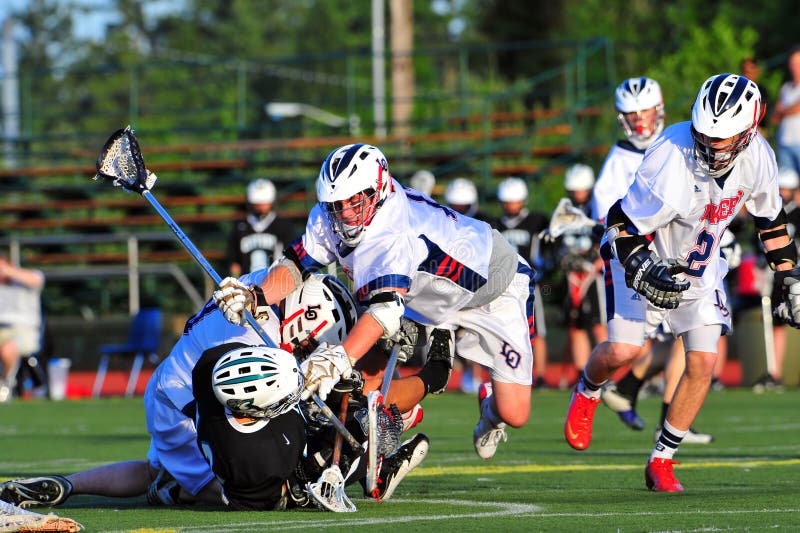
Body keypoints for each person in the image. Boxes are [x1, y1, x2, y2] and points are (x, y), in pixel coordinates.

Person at [213, 143, 537, 461]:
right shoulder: (333, 215)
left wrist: (336, 358)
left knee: (515, 412)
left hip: (493, 286)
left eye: (355, 200)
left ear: (378, 190)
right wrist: (256, 295)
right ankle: (400, 414)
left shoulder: (392, 233)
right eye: (337, 203)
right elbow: (296, 264)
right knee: (361, 385)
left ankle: (489, 412)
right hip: (421, 295)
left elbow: (383, 311)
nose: (346, 213)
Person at [0, 273, 429, 509]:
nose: (313, 349)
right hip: (193, 403)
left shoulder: (266, 288)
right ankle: (185, 490)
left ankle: (69, 484)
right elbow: (273, 394)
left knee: (159, 466)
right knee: (265, 490)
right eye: (317, 340)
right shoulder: (259, 338)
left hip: (175, 388)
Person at [564, 73, 800, 492]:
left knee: (703, 362)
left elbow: (771, 221)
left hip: (698, 265)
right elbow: (620, 223)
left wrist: (788, 276)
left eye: (722, 139)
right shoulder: (673, 153)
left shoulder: (759, 156)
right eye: (705, 136)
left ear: (749, 131)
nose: (710, 147)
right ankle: (588, 389)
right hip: (640, 257)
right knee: (624, 349)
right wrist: (640, 266)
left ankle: (662, 460)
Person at [590, 76, 713, 442]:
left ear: (658, 110)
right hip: (640, 263)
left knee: (690, 335)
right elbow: (612, 221)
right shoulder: (618, 163)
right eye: (633, 114)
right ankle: (609, 390)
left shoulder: (677, 143)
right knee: (631, 346)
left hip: (680, 251)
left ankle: (634, 394)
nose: (640, 121)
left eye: (645, 112)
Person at [443, 177, 498, 392]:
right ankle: (463, 374)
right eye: (455, 206)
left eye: (463, 206)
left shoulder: (484, 223)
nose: (459, 210)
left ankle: (482, 375)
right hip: (453, 282)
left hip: (480, 282)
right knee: (457, 332)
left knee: (478, 331)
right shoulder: (444, 222)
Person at [495, 177, 551, 389]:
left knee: (537, 329)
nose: (511, 205)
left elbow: (547, 250)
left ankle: (542, 375)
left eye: (515, 201)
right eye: (508, 201)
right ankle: (509, 373)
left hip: (528, 284)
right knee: (504, 330)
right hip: (502, 284)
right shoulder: (495, 224)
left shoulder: (536, 222)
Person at [558, 164, 607, 380]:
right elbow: (557, 241)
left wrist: (595, 259)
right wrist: (564, 257)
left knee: (598, 323)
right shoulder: (563, 211)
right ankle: (582, 373)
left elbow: (607, 238)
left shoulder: (598, 209)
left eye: (582, 190)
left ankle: (607, 372)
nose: (578, 194)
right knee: (576, 325)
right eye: (574, 190)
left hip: (594, 276)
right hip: (572, 276)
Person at [227, 178, 296, 276]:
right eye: (257, 204)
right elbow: (234, 262)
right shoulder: (240, 226)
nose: (261, 207)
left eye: (264, 203)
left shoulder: (283, 225)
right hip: (247, 282)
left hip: (275, 282)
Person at [0, 254, 45, 403]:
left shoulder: (25, 280)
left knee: (8, 348)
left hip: (24, 331)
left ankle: (5, 385)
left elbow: (36, 279)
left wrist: (8, 271)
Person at [772, 46, 800, 177]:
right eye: (793, 63)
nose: (795, 67)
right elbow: (775, 117)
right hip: (784, 142)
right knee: (787, 185)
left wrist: (783, 110)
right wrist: (785, 111)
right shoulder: (785, 88)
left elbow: (797, 108)